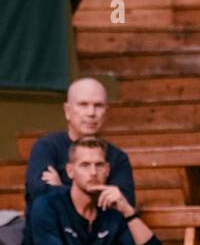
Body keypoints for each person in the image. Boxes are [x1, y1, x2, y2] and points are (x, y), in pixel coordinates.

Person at [23, 137, 166, 245]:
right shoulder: (48, 204)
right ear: (70, 171)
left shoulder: (113, 209)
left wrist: (128, 212)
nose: (93, 173)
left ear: (107, 170)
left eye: (99, 165)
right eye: (85, 165)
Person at [24, 77, 136, 216]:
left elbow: (124, 207)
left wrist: (60, 188)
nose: (91, 113)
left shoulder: (118, 158)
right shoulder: (46, 148)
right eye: (83, 104)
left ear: (106, 112)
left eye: (98, 105)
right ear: (67, 111)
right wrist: (97, 196)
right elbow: (41, 197)